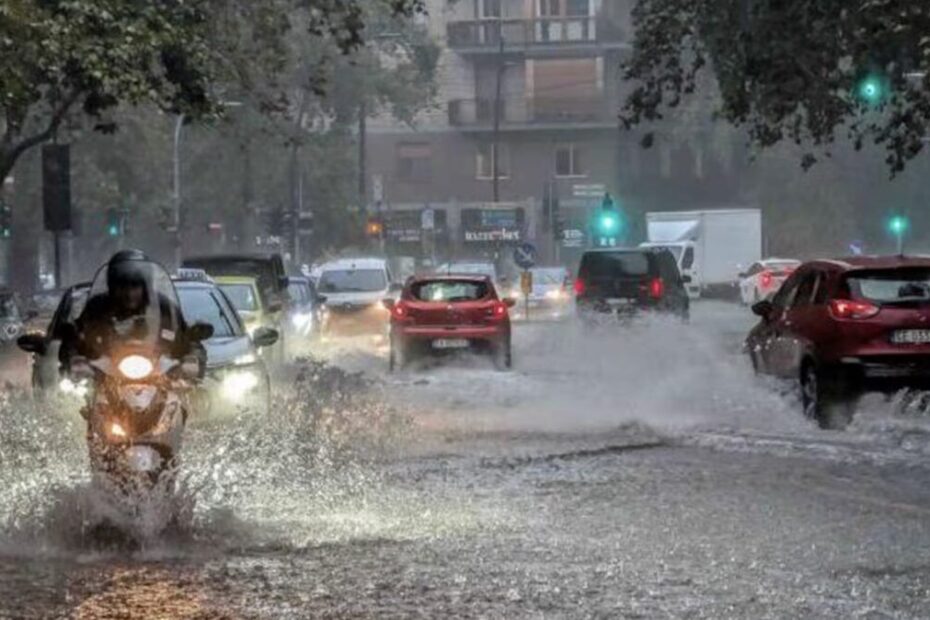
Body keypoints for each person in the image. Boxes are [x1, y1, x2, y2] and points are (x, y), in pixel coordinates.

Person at [60, 250, 203, 370]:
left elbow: (186, 339)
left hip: (158, 379)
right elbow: (76, 339)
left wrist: (191, 359)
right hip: (107, 380)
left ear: (145, 287)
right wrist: (75, 358)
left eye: (135, 287)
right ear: (112, 286)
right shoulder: (96, 308)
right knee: (78, 397)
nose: (129, 294)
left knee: (187, 398)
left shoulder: (164, 308)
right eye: (122, 287)